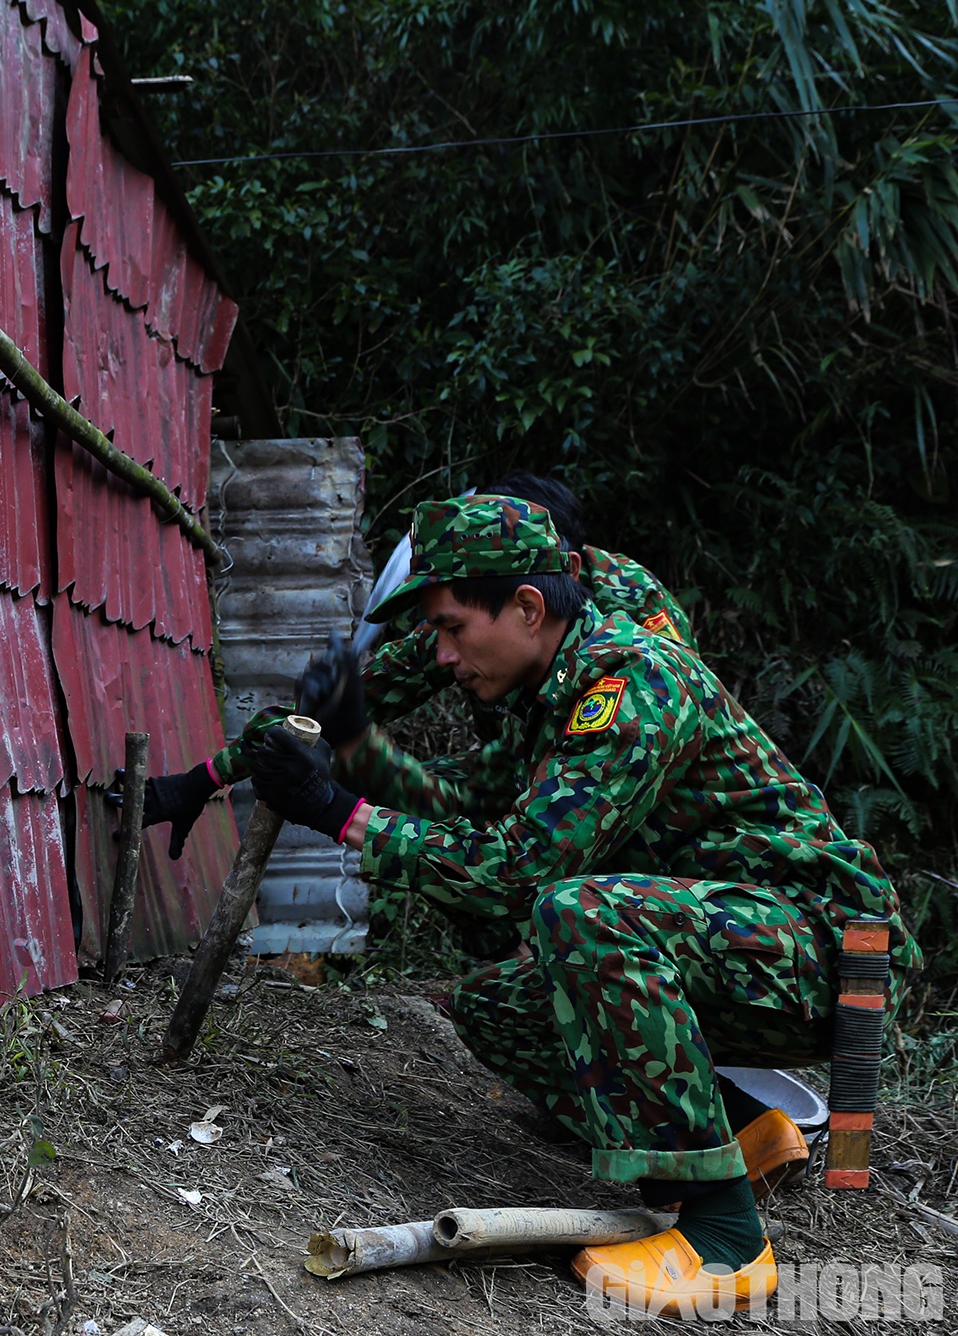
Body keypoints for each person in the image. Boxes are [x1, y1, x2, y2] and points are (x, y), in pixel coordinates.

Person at [243, 493, 920, 1316]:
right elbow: (472, 817)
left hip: (819, 953)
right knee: (498, 1007)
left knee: (578, 912)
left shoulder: (629, 678)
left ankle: (726, 1242)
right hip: (741, 945)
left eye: (454, 628)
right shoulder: (548, 698)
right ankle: (741, 1134)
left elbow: (520, 873)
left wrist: (340, 814)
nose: (445, 657)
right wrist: (352, 753)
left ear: (527, 607)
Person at [134, 473, 694, 861]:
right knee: (436, 805)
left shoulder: (634, 632)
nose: (446, 652)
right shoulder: (470, 606)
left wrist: (335, 811)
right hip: (526, 767)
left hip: (632, 809)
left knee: (541, 866)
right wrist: (206, 778)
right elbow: (339, 703)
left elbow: (651, 741)